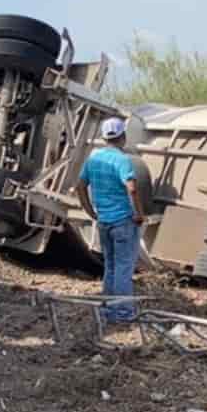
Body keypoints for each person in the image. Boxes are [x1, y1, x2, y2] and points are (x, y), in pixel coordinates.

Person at [79, 117, 145, 322]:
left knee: (110, 266)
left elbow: (80, 186)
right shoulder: (123, 160)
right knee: (124, 268)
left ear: (104, 137)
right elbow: (132, 188)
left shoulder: (93, 160)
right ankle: (123, 313)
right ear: (123, 137)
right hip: (123, 221)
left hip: (104, 222)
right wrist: (139, 213)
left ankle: (107, 308)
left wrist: (90, 212)